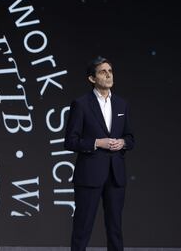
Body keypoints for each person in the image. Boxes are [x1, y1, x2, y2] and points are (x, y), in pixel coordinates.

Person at [64, 56, 134, 251]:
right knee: (82, 229)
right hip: (89, 176)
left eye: (110, 71)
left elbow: (131, 138)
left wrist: (122, 142)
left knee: (115, 229)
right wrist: (97, 143)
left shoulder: (121, 104)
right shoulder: (81, 104)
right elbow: (70, 141)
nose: (108, 75)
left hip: (115, 175)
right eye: (103, 72)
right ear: (92, 78)